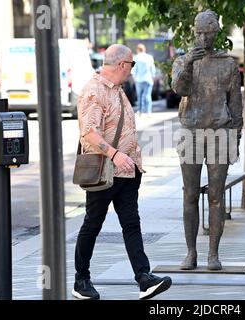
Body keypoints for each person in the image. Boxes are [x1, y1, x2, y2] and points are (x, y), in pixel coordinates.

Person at [73, 44, 171, 300]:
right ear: (121, 65)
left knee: (131, 224)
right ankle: (81, 279)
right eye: (131, 64)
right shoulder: (94, 91)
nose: (131, 70)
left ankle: (144, 279)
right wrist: (115, 154)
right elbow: (89, 133)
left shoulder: (117, 90)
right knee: (92, 224)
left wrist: (130, 161)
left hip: (127, 173)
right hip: (105, 173)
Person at [171, 10, 243, 271]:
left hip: (220, 133)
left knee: (216, 195)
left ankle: (213, 254)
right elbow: (178, 88)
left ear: (216, 32)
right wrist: (189, 61)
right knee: (189, 194)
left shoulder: (228, 63)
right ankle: (191, 252)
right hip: (190, 133)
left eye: (208, 32)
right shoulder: (183, 61)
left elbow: (236, 105)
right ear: (194, 32)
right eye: (199, 32)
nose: (203, 37)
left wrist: (236, 137)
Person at [132, 43, 156, 117]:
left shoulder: (136, 57)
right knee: (148, 96)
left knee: (139, 96)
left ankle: (140, 111)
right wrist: (153, 76)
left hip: (139, 79)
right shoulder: (149, 57)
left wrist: (134, 77)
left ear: (137, 50)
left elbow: (134, 69)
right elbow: (152, 68)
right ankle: (148, 112)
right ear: (144, 49)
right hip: (148, 79)